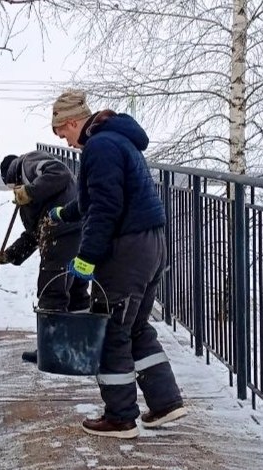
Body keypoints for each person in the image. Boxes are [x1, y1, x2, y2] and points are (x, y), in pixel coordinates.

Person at [48, 89, 186, 438]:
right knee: (136, 326)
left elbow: (106, 209)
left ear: (73, 122)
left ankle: (121, 416)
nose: (65, 141)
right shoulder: (117, 141)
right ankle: (166, 401)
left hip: (126, 250)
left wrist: (86, 258)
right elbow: (94, 198)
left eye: (62, 132)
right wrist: (66, 212)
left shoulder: (100, 147)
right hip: (151, 244)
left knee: (111, 330)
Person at [0, 150, 89, 362]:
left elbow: (60, 172)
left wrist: (30, 190)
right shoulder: (29, 200)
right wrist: (10, 254)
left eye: (13, 187)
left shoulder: (27, 163)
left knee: (51, 289)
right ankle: (80, 346)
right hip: (69, 231)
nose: (15, 192)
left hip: (62, 230)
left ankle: (51, 350)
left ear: (11, 176)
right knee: (75, 290)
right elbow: (34, 234)